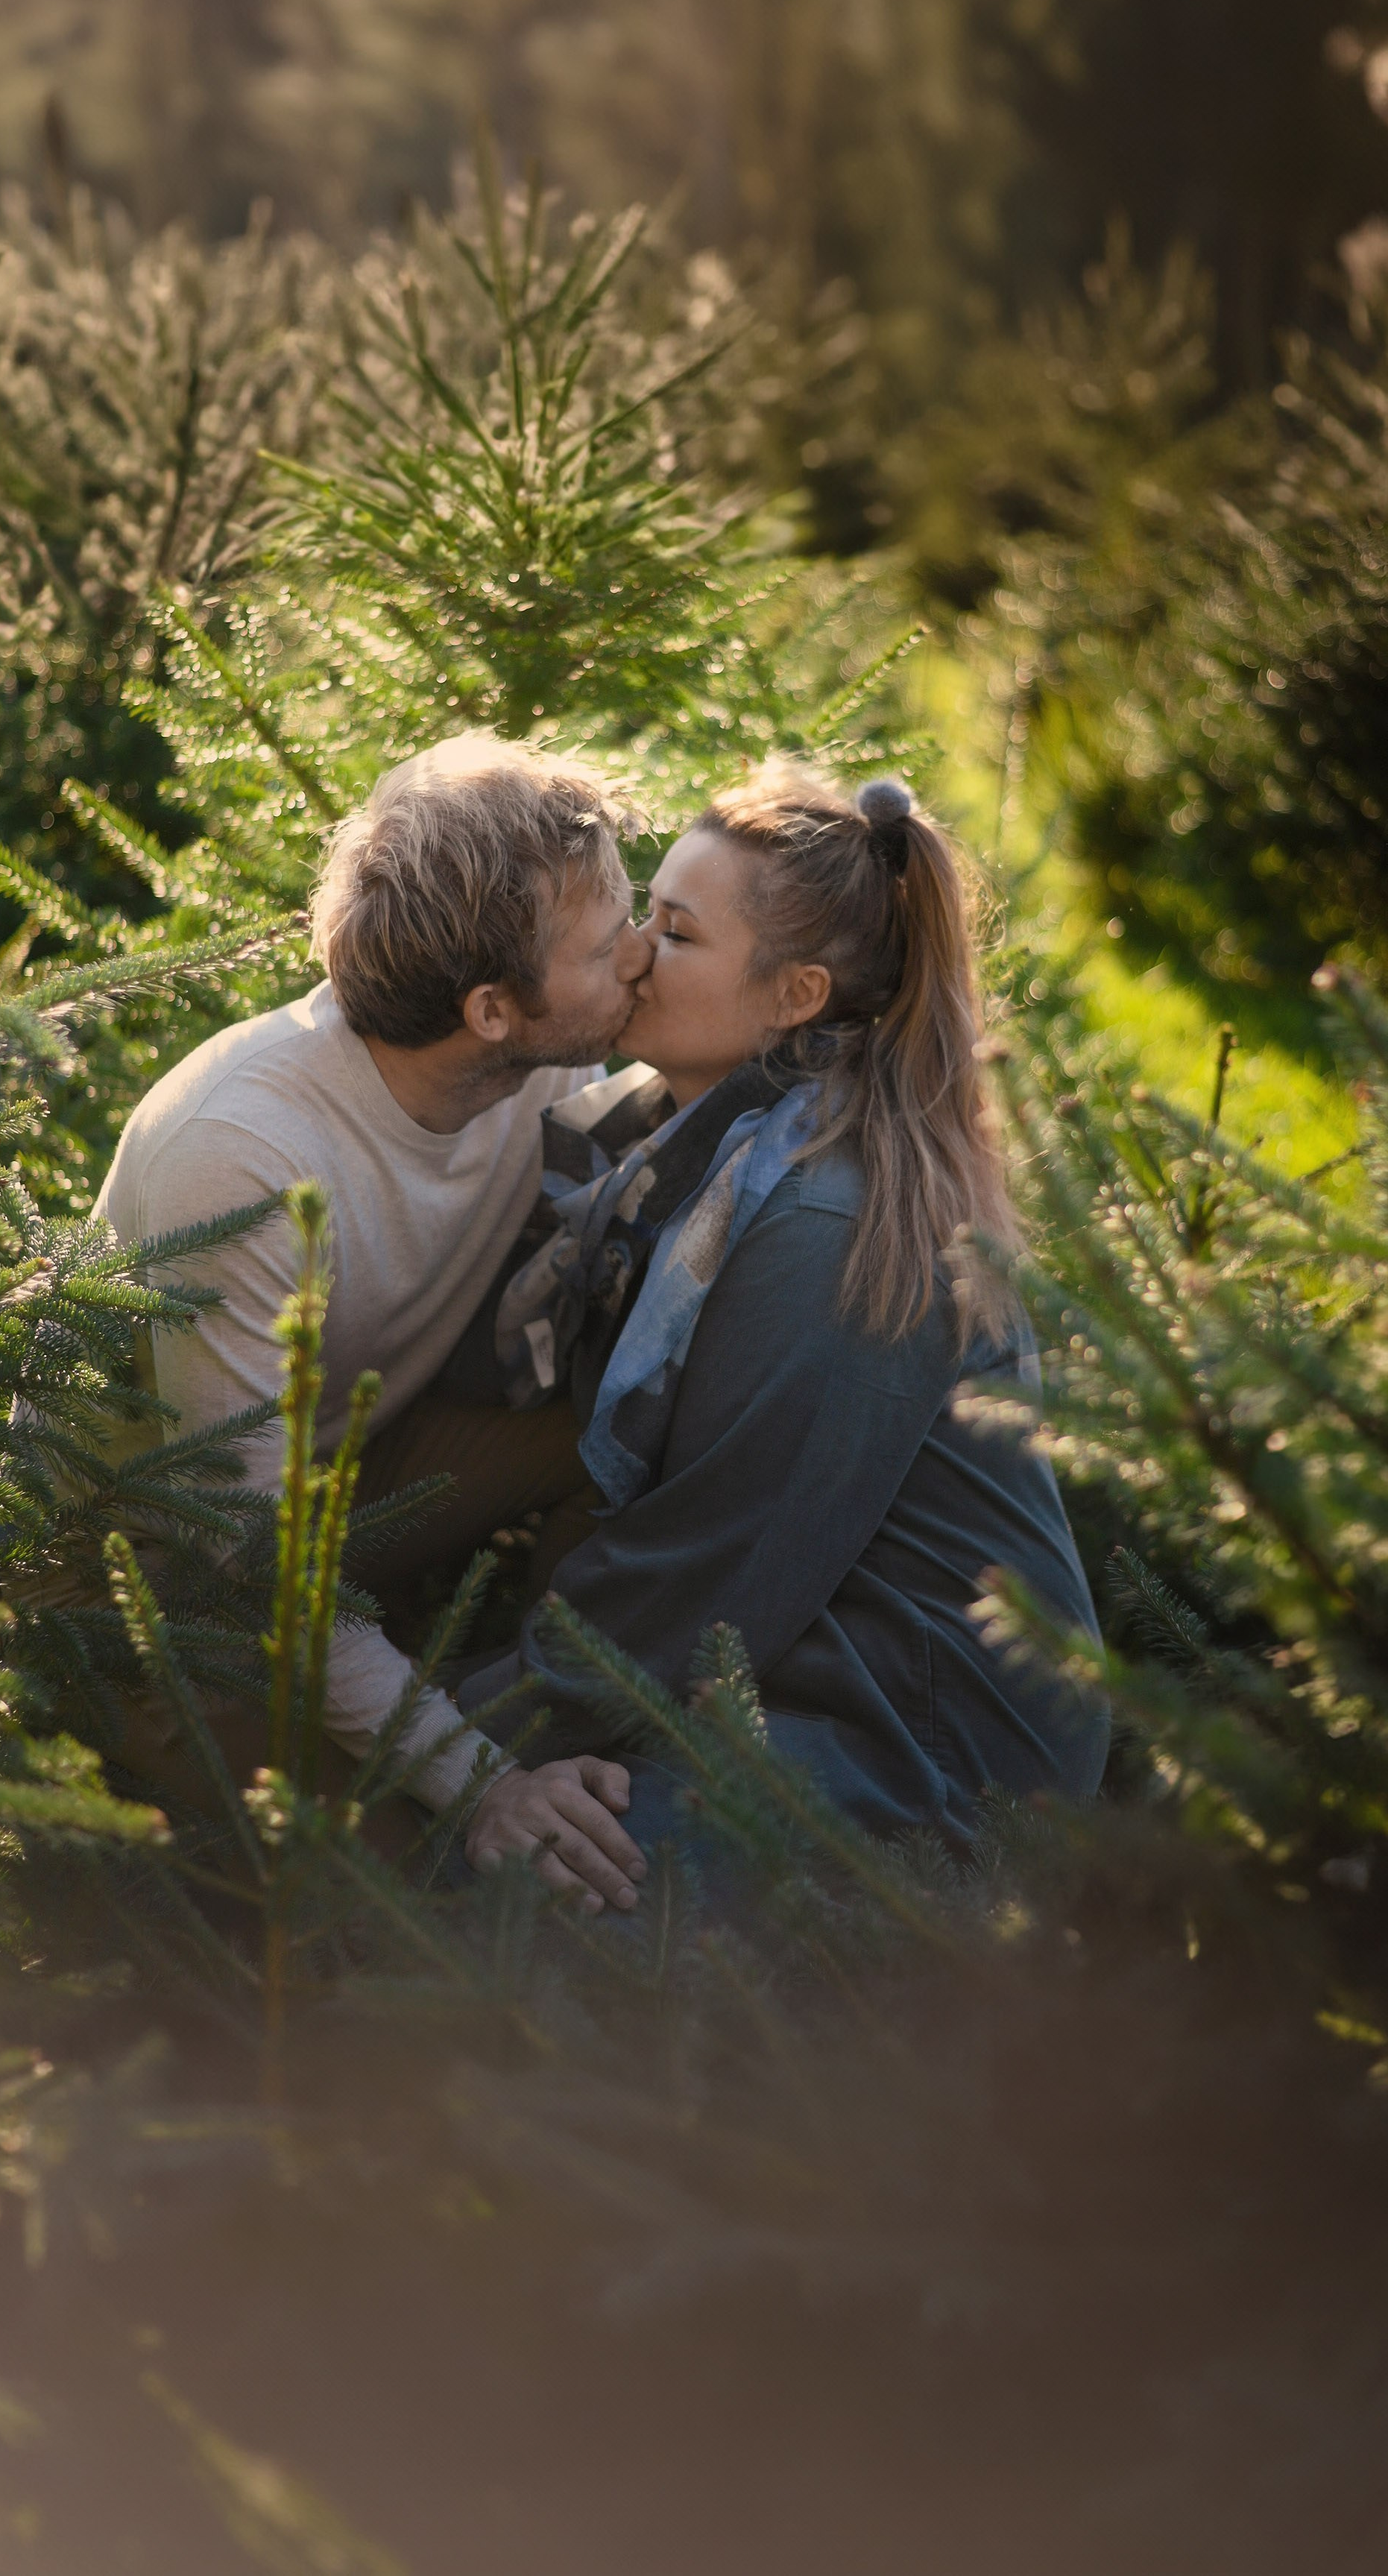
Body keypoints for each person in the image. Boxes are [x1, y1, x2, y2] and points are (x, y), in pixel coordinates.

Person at [458, 760, 1107, 1860]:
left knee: (529, 1907)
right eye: (641, 916)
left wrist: (439, 1746)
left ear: (795, 996)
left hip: (923, 1740)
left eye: (676, 933)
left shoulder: (823, 1223)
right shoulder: (678, 1146)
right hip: (785, 1654)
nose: (631, 954)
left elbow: (705, 1571)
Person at [97, 733, 651, 1914]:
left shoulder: (526, 1068)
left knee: (629, 1428)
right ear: (494, 1008)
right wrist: (478, 1784)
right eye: (611, 946)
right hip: (152, 1583)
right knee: (410, 1897)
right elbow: (247, 1559)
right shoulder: (247, 1155)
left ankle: (550, 1722)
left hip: (342, 1490)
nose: (644, 957)